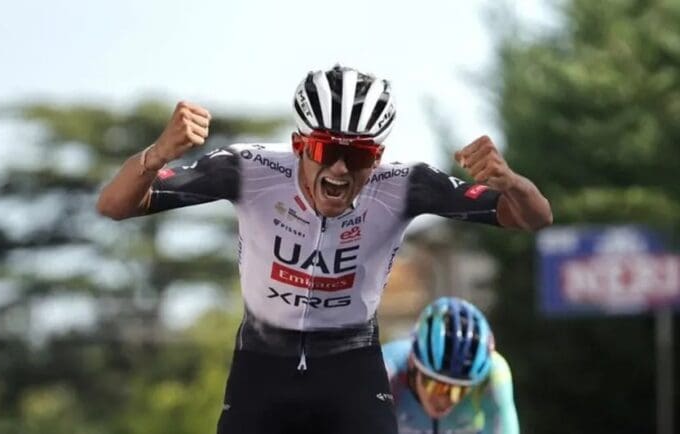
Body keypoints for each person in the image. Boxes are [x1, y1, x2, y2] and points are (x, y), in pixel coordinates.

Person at [96, 65, 552, 434]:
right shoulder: (248, 169)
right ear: (299, 146)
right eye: (325, 148)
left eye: (356, 157)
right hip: (263, 361)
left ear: (376, 157)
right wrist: (156, 155)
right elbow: (114, 206)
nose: (338, 167)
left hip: (350, 363)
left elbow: (533, 217)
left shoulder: (404, 184)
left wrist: (511, 182)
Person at [383, 297, 519, 434]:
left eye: (459, 390)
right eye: (435, 386)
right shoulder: (387, 369)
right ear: (413, 363)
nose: (444, 400)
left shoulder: (494, 374)